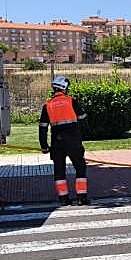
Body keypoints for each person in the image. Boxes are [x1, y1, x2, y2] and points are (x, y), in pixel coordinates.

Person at [39, 75, 89, 205]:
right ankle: (81, 197)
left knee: (59, 171)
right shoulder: (71, 101)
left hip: (57, 143)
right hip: (73, 141)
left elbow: (43, 128)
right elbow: (83, 118)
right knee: (80, 167)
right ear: (65, 88)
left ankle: (63, 199)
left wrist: (44, 146)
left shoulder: (47, 105)